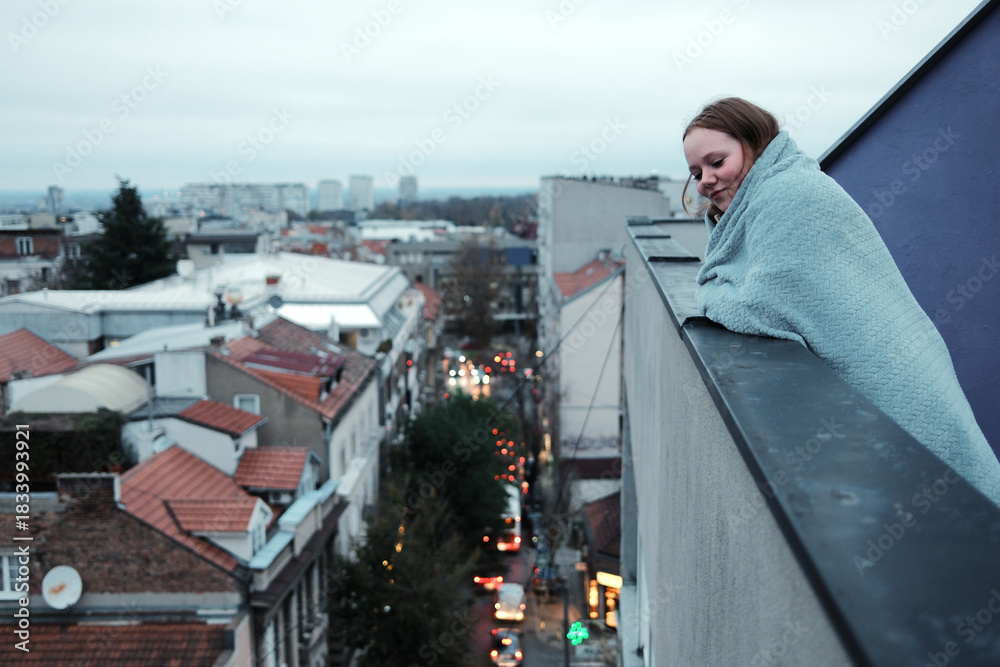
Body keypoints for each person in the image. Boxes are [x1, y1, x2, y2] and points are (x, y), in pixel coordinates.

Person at [681, 96, 1000, 506]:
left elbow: (765, 308)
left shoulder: (790, 195)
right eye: (696, 172)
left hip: (895, 382)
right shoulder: (769, 196)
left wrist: (709, 292)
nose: (706, 179)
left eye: (716, 161)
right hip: (893, 373)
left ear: (753, 144)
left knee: (955, 507)